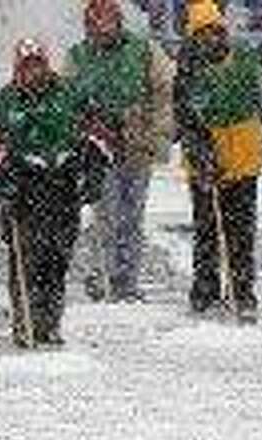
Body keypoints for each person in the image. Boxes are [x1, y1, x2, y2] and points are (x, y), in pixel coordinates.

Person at [0, 38, 111, 348]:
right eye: (27, 66)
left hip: (64, 188)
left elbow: (99, 136)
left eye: (38, 64)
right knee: (25, 261)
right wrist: (2, 185)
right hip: (23, 192)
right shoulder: (1, 104)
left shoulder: (72, 95)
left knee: (57, 261)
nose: (33, 72)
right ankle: (25, 323)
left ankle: (50, 323)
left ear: (46, 65)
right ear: (18, 69)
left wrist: (93, 173)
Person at [173, 0, 262, 322]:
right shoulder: (187, 68)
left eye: (215, 31)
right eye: (202, 33)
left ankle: (243, 290)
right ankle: (205, 290)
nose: (211, 38)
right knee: (207, 228)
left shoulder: (249, 60)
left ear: (223, 30)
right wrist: (200, 154)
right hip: (205, 160)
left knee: (241, 231)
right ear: (194, 38)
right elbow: (183, 117)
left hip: (245, 156)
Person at [64, 0, 174, 303]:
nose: (101, 30)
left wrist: (158, 134)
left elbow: (165, 91)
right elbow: (67, 101)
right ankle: (103, 274)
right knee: (105, 215)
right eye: (95, 25)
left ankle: (127, 279)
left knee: (132, 216)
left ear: (118, 22)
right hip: (99, 147)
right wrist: (81, 136)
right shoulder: (77, 57)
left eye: (107, 23)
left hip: (138, 143)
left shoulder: (144, 50)